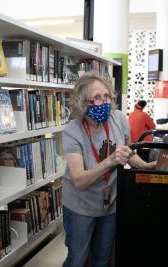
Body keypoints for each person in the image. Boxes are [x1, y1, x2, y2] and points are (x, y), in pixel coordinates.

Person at [62, 73, 155, 267]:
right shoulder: (72, 131)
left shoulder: (119, 119)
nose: (104, 101)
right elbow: (79, 181)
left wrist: (147, 166)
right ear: (82, 102)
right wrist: (110, 161)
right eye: (96, 97)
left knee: (103, 259)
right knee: (78, 260)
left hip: (110, 206)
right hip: (80, 207)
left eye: (107, 96)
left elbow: (129, 152)